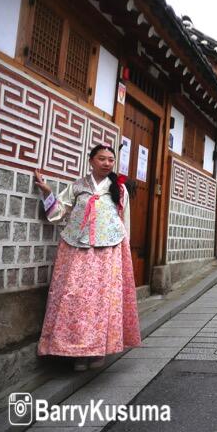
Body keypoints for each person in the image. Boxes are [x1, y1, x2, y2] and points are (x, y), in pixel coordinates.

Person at [33, 144, 141, 371]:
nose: (107, 163)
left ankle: (98, 349)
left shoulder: (119, 189)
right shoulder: (77, 187)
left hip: (108, 251)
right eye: (102, 159)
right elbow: (57, 213)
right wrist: (46, 191)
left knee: (102, 299)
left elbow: (124, 220)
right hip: (77, 248)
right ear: (91, 161)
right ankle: (76, 352)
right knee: (74, 297)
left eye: (111, 160)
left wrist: (125, 248)